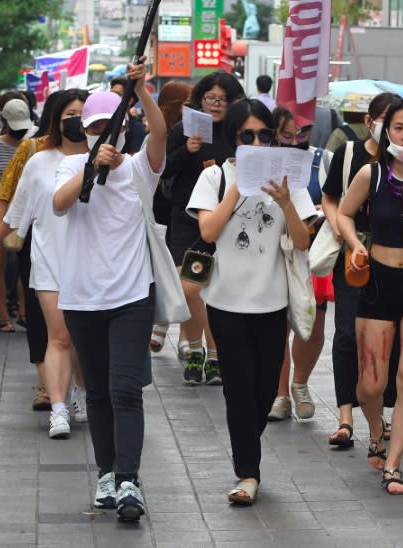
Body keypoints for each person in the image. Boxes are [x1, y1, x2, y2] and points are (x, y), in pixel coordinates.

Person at [186, 98, 316, 505]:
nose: (257, 141)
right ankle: (248, 473)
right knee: (239, 390)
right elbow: (207, 232)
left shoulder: (287, 180)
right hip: (225, 302)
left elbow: (303, 240)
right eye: (248, 135)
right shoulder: (215, 178)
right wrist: (239, 187)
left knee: (262, 393)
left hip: (272, 302)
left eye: (264, 134)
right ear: (234, 138)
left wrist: (285, 203)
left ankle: (247, 444)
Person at [53, 62, 166, 521]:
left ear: (125, 127)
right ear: (85, 129)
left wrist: (142, 91)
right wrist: (88, 170)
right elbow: (59, 205)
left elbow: (160, 133)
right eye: (98, 126)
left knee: (125, 390)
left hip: (132, 297)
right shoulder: (69, 163)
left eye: (113, 125)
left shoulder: (141, 168)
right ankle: (106, 473)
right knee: (96, 391)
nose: (106, 133)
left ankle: (129, 481)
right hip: (81, 299)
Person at [337, 98, 403, 495]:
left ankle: (394, 465)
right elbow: (344, 213)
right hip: (378, 282)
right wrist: (355, 244)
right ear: (386, 131)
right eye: (399, 128)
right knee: (370, 385)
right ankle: (375, 427)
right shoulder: (372, 174)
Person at [0, 89, 90, 440]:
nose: (76, 120)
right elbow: (18, 211)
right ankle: (59, 409)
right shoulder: (38, 160)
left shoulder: (103, 158)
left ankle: (80, 391)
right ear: (55, 119)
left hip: (91, 264)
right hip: (48, 259)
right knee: (60, 335)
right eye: (69, 115)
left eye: (82, 113)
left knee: (81, 338)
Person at [320, 92, 400, 448]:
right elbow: (330, 196)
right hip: (352, 255)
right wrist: (340, 225)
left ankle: (378, 414)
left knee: (387, 337)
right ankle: (345, 415)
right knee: (347, 333)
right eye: (385, 120)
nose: (392, 129)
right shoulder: (349, 153)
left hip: (395, 256)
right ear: (369, 121)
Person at [163, 71, 244, 385]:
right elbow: (164, 169)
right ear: (200, 100)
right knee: (191, 287)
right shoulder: (184, 129)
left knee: (215, 290)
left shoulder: (238, 133)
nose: (216, 104)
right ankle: (193, 345)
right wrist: (188, 151)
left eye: (223, 99)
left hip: (225, 220)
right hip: (187, 219)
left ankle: (213, 355)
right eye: (211, 98)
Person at [0, 91, 64, 412]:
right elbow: (6, 196)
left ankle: (76, 387)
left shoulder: (100, 152)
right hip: (38, 240)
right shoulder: (31, 150)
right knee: (40, 314)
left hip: (82, 246)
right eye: (68, 114)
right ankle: (48, 387)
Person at [267, 107, 332, 421]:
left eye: (301, 134)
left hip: (312, 251)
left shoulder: (324, 159)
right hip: (273, 252)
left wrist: (322, 210)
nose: (295, 141)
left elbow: (338, 199)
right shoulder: (263, 163)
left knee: (311, 321)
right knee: (277, 324)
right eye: (287, 135)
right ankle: (280, 394)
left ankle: (300, 383)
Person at [0, 98, 34, 333]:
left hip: (26, 211)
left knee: (27, 265)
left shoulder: (32, 144)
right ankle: (3, 315)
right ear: (5, 121)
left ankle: (23, 310)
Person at [149, 80, 193, 354]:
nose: (191, 109)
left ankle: (182, 335)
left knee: (191, 276)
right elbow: (162, 169)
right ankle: (165, 325)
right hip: (160, 212)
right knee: (169, 271)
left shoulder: (199, 130)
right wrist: (186, 150)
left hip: (187, 212)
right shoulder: (160, 133)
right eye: (186, 104)